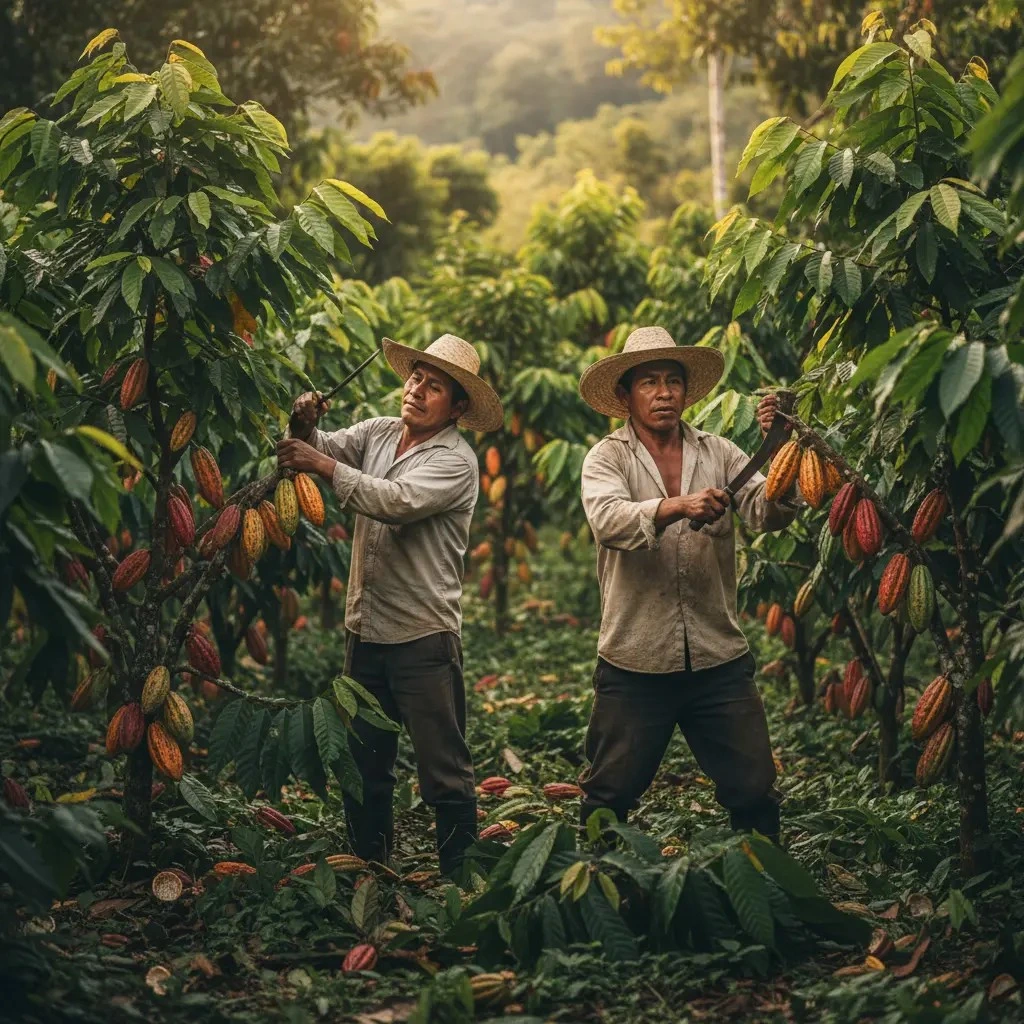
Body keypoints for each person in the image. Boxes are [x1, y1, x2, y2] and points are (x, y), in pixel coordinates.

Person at [276, 334, 503, 878]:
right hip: (365, 630)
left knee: (442, 766)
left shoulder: (456, 461)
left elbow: (395, 502)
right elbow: (323, 446)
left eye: (435, 387)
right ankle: (368, 867)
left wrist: (317, 461)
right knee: (365, 761)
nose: (417, 391)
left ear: (458, 407)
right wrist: (303, 425)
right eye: (416, 378)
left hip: (423, 634)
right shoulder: (378, 432)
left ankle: (460, 879)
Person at [576, 326, 798, 844]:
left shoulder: (719, 452)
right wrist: (679, 505)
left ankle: (764, 880)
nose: (664, 393)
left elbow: (767, 512)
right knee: (609, 793)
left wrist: (781, 450)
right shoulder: (607, 458)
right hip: (636, 658)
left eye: (673, 381)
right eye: (649, 382)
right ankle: (599, 883)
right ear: (626, 395)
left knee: (754, 788)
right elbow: (608, 520)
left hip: (717, 656)